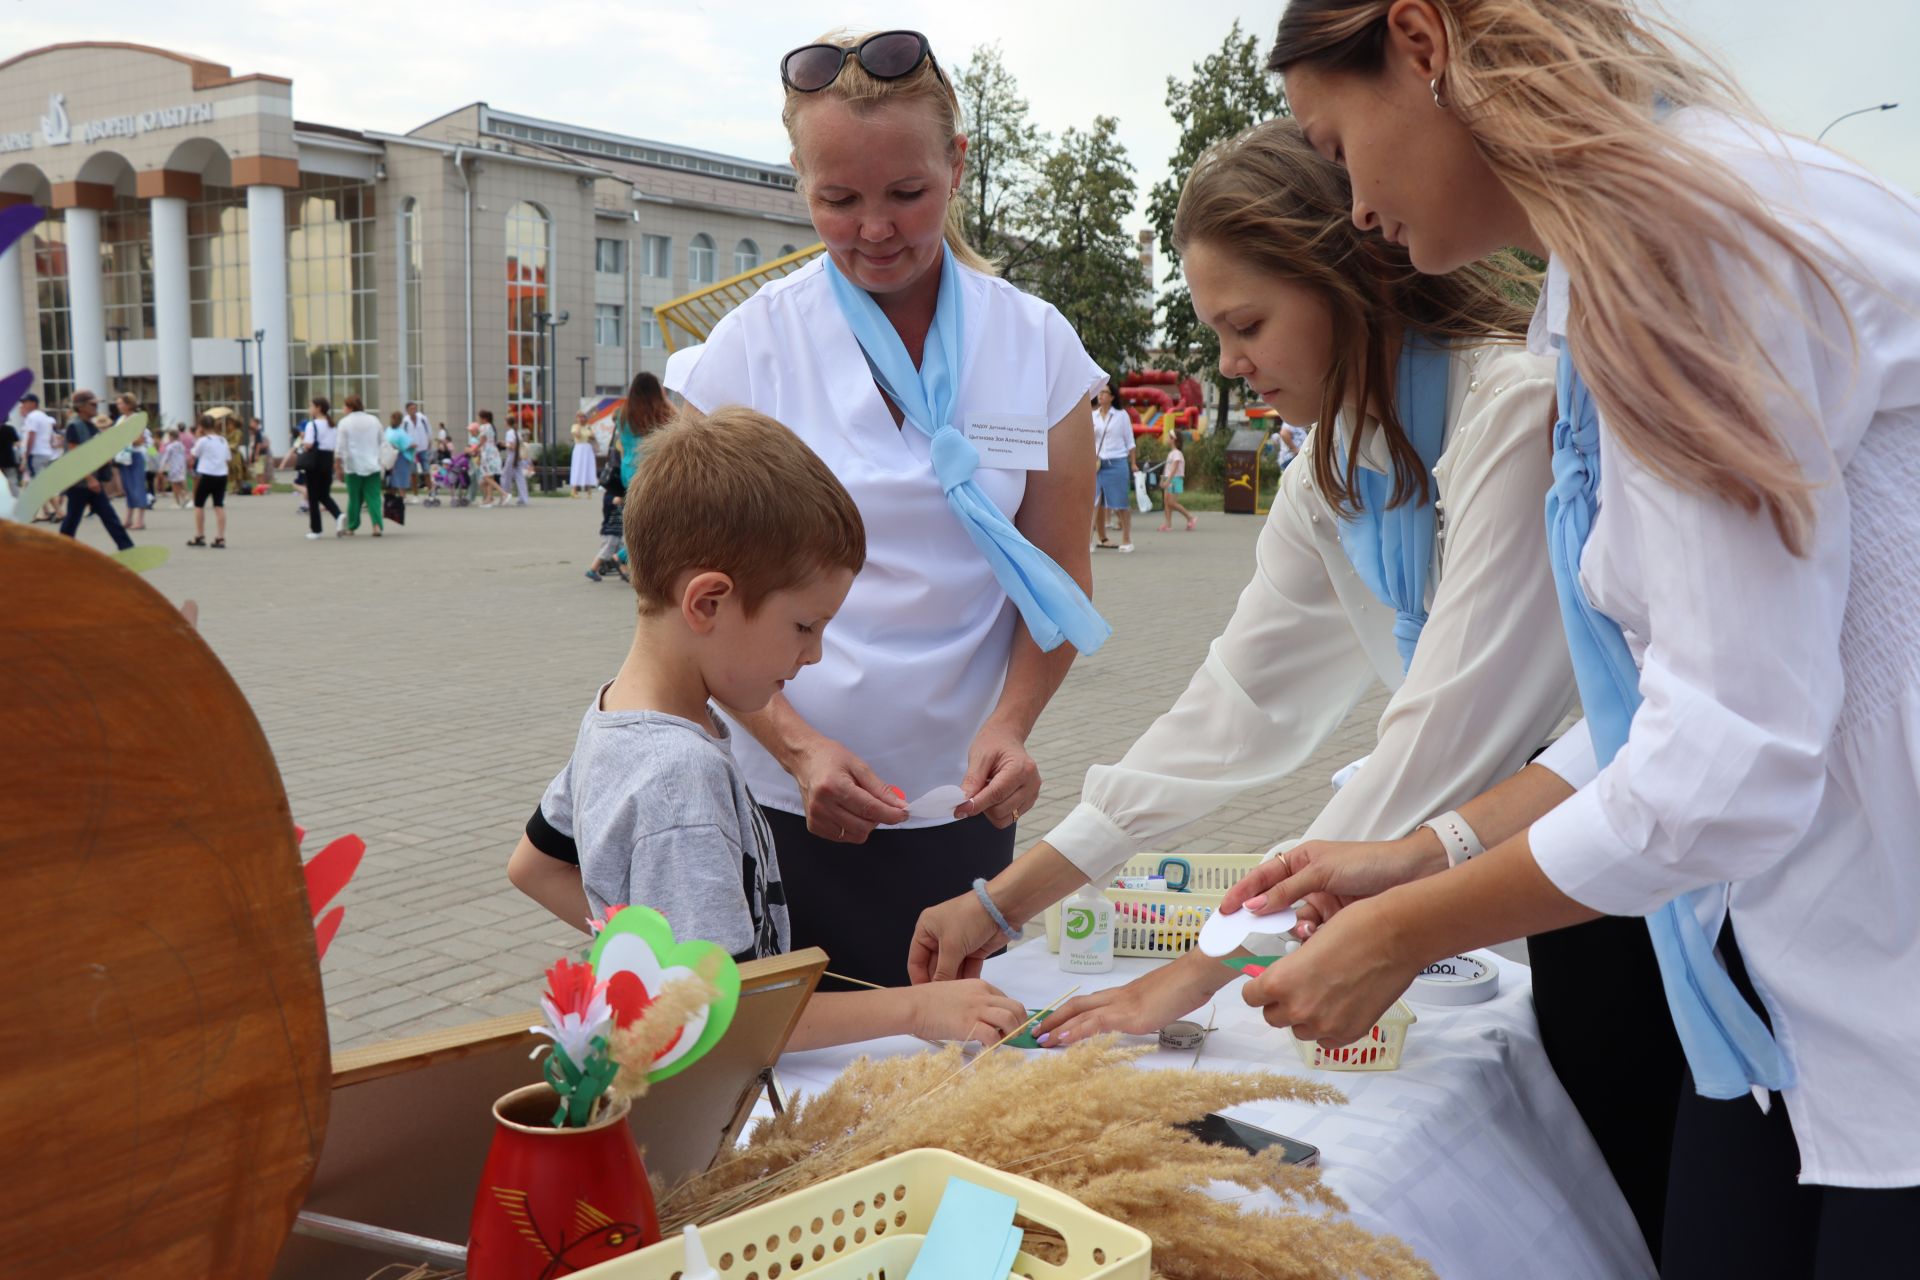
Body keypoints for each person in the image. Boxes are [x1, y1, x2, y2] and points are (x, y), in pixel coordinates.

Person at [906, 114, 1698, 1254]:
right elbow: (1231, 708)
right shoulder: (1339, 466)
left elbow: (1443, 744)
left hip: (1646, 887)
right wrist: (1009, 896)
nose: (1228, 363)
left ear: (1348, 282)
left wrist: (1197, 972)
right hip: (1544, 888)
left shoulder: (1510, 412)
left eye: (1246, 325)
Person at [1226, 1, 1920, 1270]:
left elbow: (1724, 761)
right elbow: (1666, 706)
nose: (1351, 201)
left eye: (1337, 146)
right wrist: (1418, 857)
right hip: (1787, 1006)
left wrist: (1402, 929)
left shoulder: (1688, 248)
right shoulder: (1621, 261)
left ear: (1423, 48)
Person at [531, 28, 1107, 992]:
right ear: (799, 179)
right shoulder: (746, 352)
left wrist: (1011, 725)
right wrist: (797, 745)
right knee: (790, 1077)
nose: (874, 228)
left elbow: (1057, 585)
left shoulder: (1036, 347)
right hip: (778, 796)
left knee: (937, 1064)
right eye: (837, 200)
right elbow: (685, 595)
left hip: (960, 803)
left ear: (957, 165)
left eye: (906, 195)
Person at [507, 407, 1029, 1049]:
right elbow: (733, 1022)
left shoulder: (616, 715)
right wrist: (918, 1009)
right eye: (805, 627)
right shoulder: (681, 777)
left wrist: (644, 961)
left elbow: (532, 864)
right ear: (708, 603)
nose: (813, 656)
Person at [55, 390, 134, 551]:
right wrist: (90, 478)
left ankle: (127, 548)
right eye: (92, 404)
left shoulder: (91, 425)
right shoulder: (74, 426)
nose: (96, 406)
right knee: (73, 519)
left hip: (91, 481)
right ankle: (59, 549)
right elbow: (75, 455)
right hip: (79, 482)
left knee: (108, 516)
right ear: (81, 406)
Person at [1090, 380, 1138, 552]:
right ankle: (1089, 540)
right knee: (1093, 503)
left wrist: (1133, 463)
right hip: (1096, 464)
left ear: (1112, 397)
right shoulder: (1092, 415)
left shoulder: (1121, 415)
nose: (1100, 395)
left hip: (1116, 462)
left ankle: (1127, 539)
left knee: (1120, 503)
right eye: (1099, 392)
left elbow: (1130, 441)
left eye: (1104, 392)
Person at [334, 394, 385, 537]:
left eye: (344, 406)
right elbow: (382, 441)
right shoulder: (374, 420)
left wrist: (338, 466)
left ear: (350, 407)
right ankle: (376, 526)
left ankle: (351, 527)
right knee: (374, 497)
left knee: (354, 497)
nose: (342, 409)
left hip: (353, 465)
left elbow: (340, 447)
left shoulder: (344, 422)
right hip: (373, 464)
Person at [615, 372, 670, 487]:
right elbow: (683, 424)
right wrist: (665, 399)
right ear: (656, 392)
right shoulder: (660, 415)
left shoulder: (622, 414)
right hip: (652, 472)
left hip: (628, 470)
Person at [298, 397, 342, 539]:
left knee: (313, 496)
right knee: (323, 493)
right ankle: (339, 515)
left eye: (311, 406)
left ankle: (316, 529)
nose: (309, 409)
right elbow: (334, 444)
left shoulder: (312, 425)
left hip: (314, 461)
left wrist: (303, 438)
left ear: (318, 408)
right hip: (327, 460)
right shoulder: (332, 425)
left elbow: (308, 445)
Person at [583, 443, 628, 582]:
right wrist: (624, 499)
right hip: (610, 531)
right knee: (606, 552)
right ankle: (592, 570)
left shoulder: (611, 495)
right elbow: (616, 501)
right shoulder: (610, 497)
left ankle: (624, 573)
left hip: (616, 530)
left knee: (620, 553)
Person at [186, 415, 230, 548]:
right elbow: (228, 458)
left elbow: (193, 455)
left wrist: (198, 437)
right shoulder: (223, 440)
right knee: (218, 505)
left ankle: (200, 535)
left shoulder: (203, 440)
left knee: (199, 504)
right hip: (222, 474)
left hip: (206, 474)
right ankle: (220, 537)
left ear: (201, 427)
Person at [112, 394, 150, 532]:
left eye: (121, 403)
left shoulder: (136, 418)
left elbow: (139, 439)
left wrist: (123, 439)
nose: (119, 406)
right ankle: (128, 518)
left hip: (135, 454)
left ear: (129, 404)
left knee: (137, 486)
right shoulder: (121, 419)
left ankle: (140, 520)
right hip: (124, 455)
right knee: (127, 487)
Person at [20, 392, 60, 521]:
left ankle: (58, 511)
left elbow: (31, 435)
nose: (23, 405)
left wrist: (26, 455)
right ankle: (41, 512)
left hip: (35, 453)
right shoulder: (44, 416)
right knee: (36, 484)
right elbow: (49, 438)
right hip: (45, 452)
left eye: (26, 402)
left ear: (33, 403)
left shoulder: (32, 417)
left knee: (38, 484)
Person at [1156, 429, 1195, 532]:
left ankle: (1190, 517)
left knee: (1171, 503)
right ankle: (1168, 524)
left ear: (1174, 440)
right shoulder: (1171, 453)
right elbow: (1167, 468)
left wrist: (1168, 480)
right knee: (1167, 502)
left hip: (1175, 479)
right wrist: (1162, 479)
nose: (1167, 439)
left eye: (1169, 437)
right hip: (1169, 479)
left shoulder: (1177, 453)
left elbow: (1174, 468)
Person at [384, 409, 415, 495]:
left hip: (395, 457)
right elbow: (406, 444)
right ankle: (397, 497)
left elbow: (407, 443)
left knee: (396, 478)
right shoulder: (393, 431)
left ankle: (397, 497)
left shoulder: (391, 431)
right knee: (396, 479)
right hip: (395, 457)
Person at [403, 402, 432, 494]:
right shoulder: (405, 421)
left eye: (415, 408)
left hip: (423, 448)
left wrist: (429, 441)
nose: (414, 411)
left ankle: (431, 493)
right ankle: (415, 495)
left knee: (426, 470)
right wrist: (407, 446)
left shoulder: (422, 418)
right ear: (407, 410)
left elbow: (429, 430)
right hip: (411, 450)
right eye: (411, 409)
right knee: (413, 473)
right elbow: (403, 435)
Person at [501, 416, 530, 506]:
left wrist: (504, 444)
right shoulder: (517, 432)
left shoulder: (509, 433)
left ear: (507, 423)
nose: (504, 423)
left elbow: (512, 446)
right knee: (520, 477)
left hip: (512, 456)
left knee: (505, 476)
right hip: (518, 457)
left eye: (505, 421)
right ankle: (523, 498)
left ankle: (505, 495)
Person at [568, 413, 598, 496]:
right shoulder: (575, 426)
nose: (582, 419)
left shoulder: (588, 426)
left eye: (583, 417)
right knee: (577, 467)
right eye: (580, 417)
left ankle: (588, 489)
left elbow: (592, 436)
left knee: (588, 467)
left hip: (587, 448)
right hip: (579, 448)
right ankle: (574, 490)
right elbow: (577, 435)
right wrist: (579, 427)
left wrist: (589, 432)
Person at [158, 428, 188, 506]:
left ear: (171, 437)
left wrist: (161, 467)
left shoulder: (170, 446)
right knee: (181, 482)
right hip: (181, 466)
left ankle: (177, 502)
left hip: (174, 467)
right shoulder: (181, 445)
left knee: (175, 484)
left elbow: (165, 457)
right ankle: (185, 497)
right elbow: (183, 455)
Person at [0, 409, 19, 497]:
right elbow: (17, 443)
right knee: (12, 481)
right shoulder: (10, 429)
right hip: (8, 458)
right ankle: (16, 501)